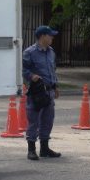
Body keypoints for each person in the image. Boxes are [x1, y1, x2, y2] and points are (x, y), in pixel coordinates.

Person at [22, 25, 61, 161]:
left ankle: (45, 148)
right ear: (42, 36)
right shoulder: (29, 52)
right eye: (50, 35)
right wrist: (31, 76)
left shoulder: (51, 52)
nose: (52, 38)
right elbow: (22, 69)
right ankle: (31, 150)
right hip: (36, 92)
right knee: (34, 121)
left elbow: (52, 70)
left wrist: (55, 86)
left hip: (49, 92)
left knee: (47, 120)